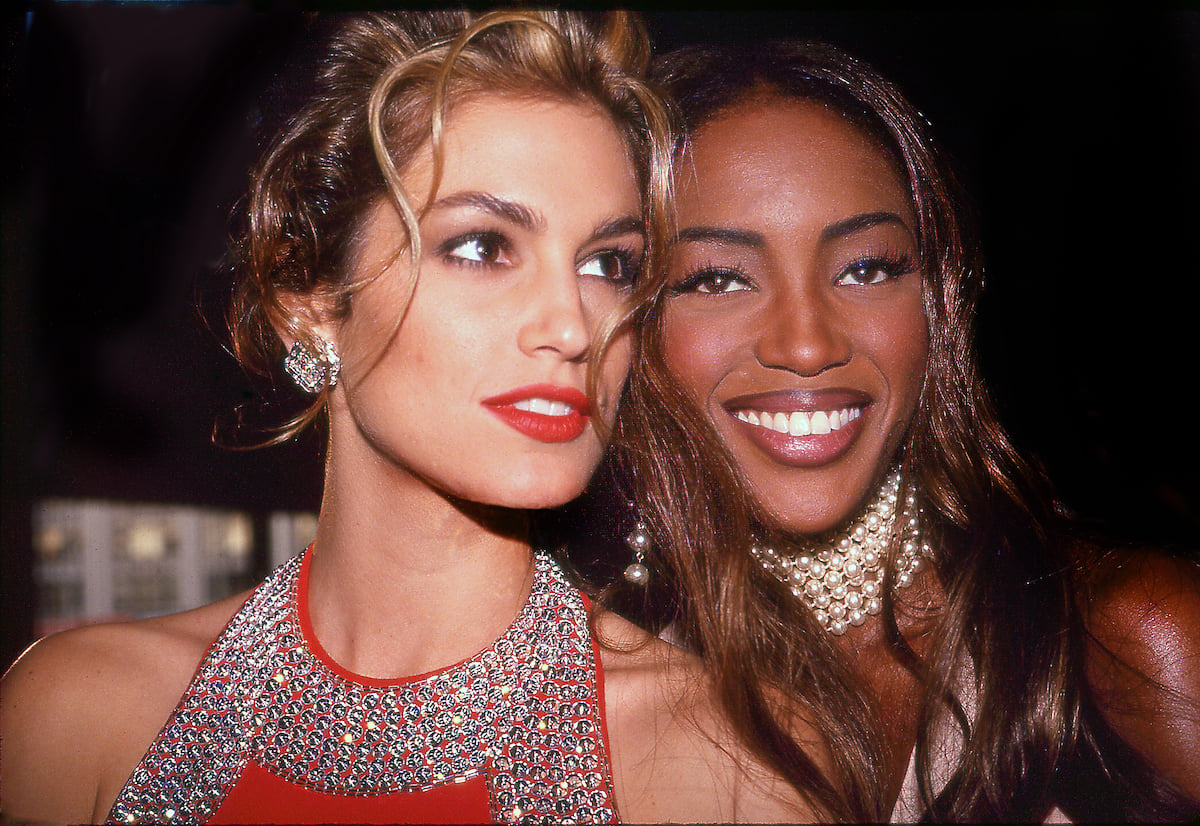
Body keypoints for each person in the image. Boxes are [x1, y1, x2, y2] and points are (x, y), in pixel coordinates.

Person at [0, 12, 810, 824]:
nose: (572, 326)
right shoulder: (76, 715)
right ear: (310, 303)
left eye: (608, 264)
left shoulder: (732, 767)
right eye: (483, 247)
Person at [606, 39, 1200, 821]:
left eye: (866, 268)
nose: (808, 344)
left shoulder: (1130, 633)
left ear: (939, 302)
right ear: (626, 325)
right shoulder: (583, 682)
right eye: (717, 278)